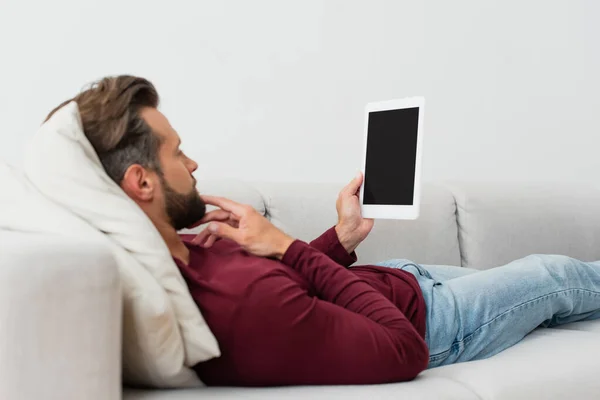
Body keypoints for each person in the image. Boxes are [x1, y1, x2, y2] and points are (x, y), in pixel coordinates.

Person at [46, 75, 600, 387]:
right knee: (557, 275)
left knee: (572, 291)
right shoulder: (237, 307)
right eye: (178, 152)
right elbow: (402, 350)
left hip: (404, 283)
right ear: (141, 182)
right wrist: (285, 245)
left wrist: (337, 240)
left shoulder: (184, 247)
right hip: (432, 323)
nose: (193, 166)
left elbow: (303, 296)